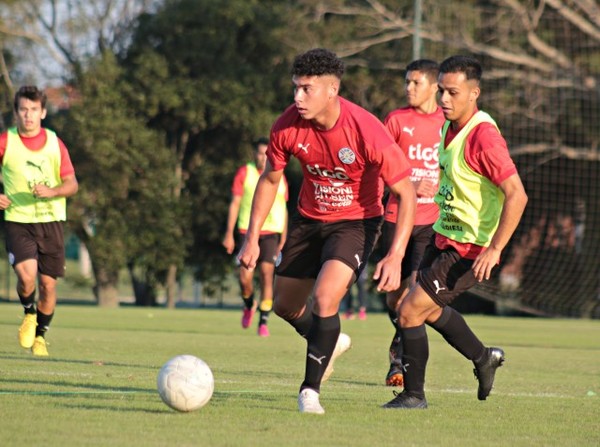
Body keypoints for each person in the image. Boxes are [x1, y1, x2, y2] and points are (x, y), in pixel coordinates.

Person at [238, 48, 416, 414]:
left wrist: (396, 254)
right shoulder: (287, 125)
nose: (297, 98)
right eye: (295, 88)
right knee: (286, 305)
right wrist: (252, 236)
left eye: (307, 89)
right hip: (307, 220)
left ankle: (309, 392)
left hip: (356, 223)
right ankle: (329, 341)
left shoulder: (367, 130)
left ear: (332, 90)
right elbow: (270, 181)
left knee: (324, 298)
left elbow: (406, 192)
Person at [382, 55, 528, 409]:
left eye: (453, 92)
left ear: (474, 93)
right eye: (443, 91)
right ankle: (483, 358)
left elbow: (517, 195)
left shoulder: (484, 137)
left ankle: (414, 395)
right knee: (424, 311)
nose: (444, 99)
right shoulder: (450, 126)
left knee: (409, 312)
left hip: (467, 248)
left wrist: (495, 250)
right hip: (442, 235)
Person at [0, 85, 78, 356]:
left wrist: (53, 191)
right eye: (23, 109)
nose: (28, 115)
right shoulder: (5, 142)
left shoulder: (56, 144)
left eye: (34, 110)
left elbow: (72, 184)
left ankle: (40, 336)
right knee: (27, 277)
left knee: (48, 286)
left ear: (43, 112)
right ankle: (28, 312)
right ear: (16, 113)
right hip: (18, 221)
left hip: (51, 221)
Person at [381, 59, 445, 387]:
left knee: (414, 295)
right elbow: (379, 165)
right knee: (394, 296)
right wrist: (407, 183)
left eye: (416, 83)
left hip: (432, 223)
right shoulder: (396, 120)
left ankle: (400, 364)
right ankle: (398, 342)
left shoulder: (448, 124)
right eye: (407, 82)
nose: (409, 88)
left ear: (435, 86)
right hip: (396, 217)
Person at [222, 137, 288, 337]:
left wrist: (284, 237)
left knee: (268, 274)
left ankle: (263, 321)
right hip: (247, 231)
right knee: (245, 278)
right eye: (260, 153)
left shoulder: (280, 175)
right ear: (255, 154)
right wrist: (229, 234)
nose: (263, 157)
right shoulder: (245, 173)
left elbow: (283, 208)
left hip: (271, 233)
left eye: (266, 153)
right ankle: (249, 304)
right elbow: (235, 203)